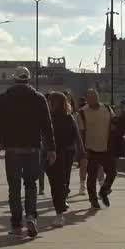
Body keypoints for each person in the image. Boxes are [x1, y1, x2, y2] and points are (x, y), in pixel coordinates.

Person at [0, 66, 56, 237]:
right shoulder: (39, 98)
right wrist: (52, 148)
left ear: (14, 79)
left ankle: (17, 224)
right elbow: (47, 126)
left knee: (14, 187)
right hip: (33, 148)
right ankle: (31, 216)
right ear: (29, 79)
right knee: (31, 184)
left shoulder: (4, 98)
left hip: (12, 148)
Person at [45, 91, 85, 226]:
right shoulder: (69, 118)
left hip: (54, 154)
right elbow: (77, 137)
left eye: (50, 102)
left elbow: (43, 137)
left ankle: (59, 213)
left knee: (56, 183)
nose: (48, 104)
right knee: (63, 181)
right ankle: (62, 204)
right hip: (68, 154)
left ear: (54, 103)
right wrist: (82, 153)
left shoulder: (49, 119)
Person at [79, 89, 116, 208]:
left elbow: (114, 124)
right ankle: (93, 200)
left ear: (98, 97)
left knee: (112, 172)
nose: (92, 99)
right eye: (89, 97)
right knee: (92, 177)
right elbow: (80, 132)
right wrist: (82, 150)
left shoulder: (107, 108)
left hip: (106, 148)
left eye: (94, 96)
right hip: (91, 149)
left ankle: (104, 190)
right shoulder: (82, 112)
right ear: (86, 99)